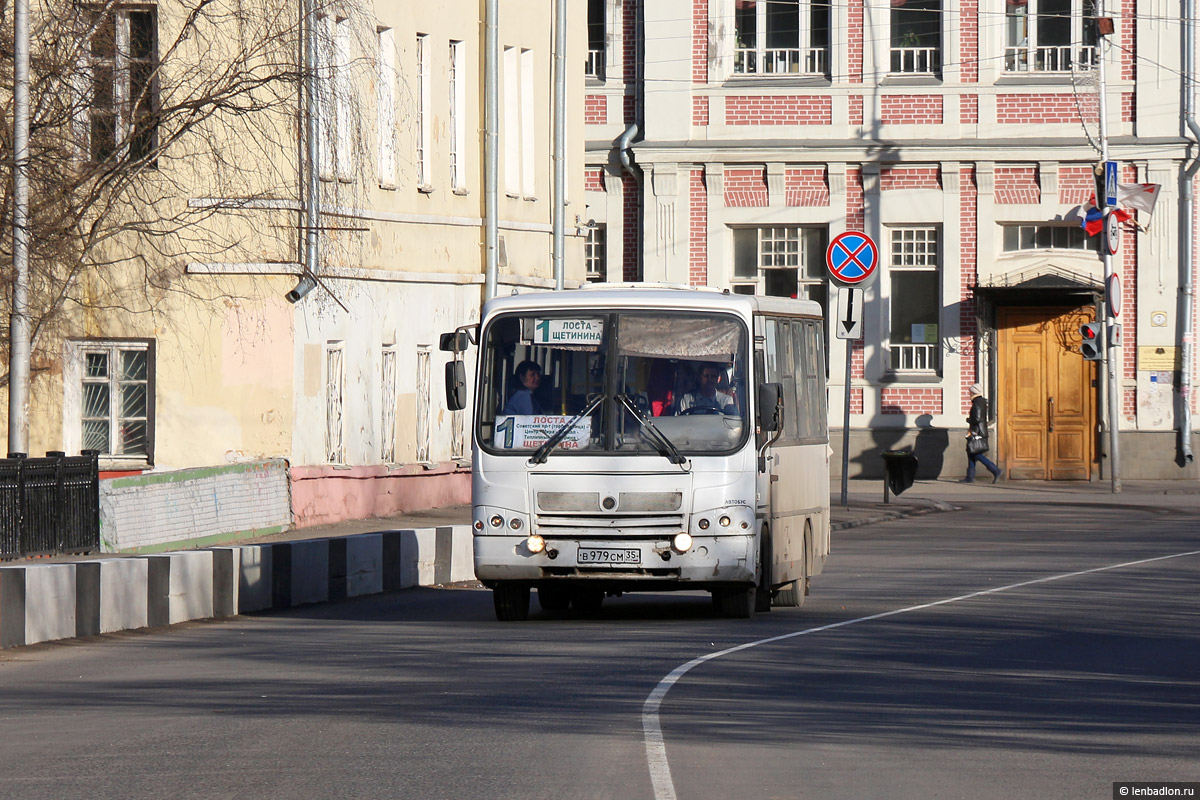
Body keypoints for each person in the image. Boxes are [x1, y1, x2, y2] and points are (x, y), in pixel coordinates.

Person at [962, 383, 1001, 483]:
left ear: (974, 392)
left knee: (976, 454)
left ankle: (995, 470)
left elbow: (978, 418)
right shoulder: (980, 401)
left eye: (970, 392)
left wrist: (969, 420)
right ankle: (970, 477)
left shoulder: (977, 402)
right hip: (979, 431)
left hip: (977, 432)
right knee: (971, 453)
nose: (969, 394)